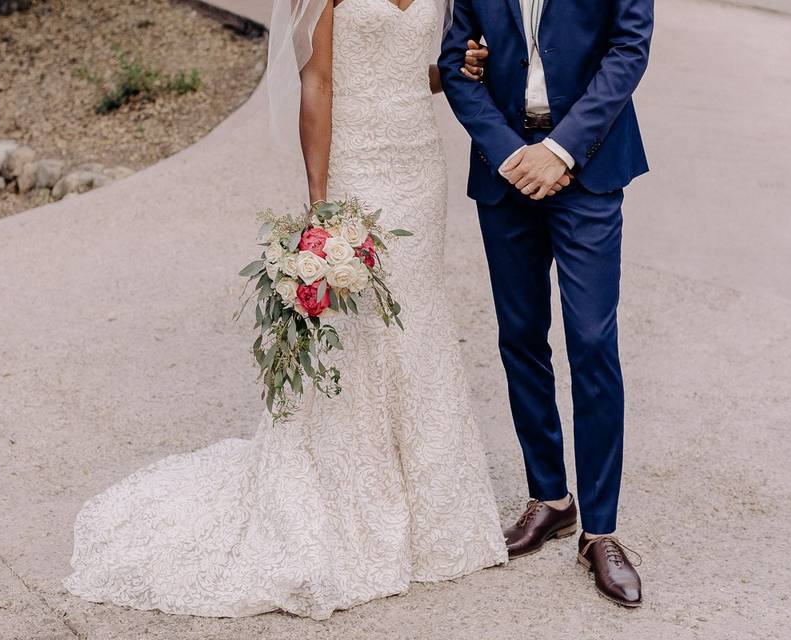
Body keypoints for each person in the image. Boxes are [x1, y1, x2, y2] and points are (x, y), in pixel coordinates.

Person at [63, 0, 506, 620]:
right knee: (360, 326)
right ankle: (350, 493)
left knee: (418, 316)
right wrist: (320, 201)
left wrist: (456, 65)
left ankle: (433, 511)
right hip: (358, 165)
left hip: (418, 163)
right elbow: (318, 79)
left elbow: (416, 70)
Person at [440, 0, 653, 608]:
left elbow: (627, 51)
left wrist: (557, 150)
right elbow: (456, 62)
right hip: (504, 171)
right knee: (520, 334)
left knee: (591, 341)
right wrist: (510, 152)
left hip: (587, 167)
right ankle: (551, 498)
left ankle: (601, 531)